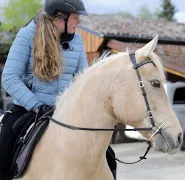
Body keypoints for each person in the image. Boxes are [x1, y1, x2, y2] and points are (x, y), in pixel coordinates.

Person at [0, 0, 115, 179]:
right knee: (4, 148)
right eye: (76, 17)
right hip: (29, 109)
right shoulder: (26, 35)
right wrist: (36, 105)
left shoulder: (76, 39)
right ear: (60, 17)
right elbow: (9, 78)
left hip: (65, 112)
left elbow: (82, 79)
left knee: (109, 156)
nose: (78, 22)